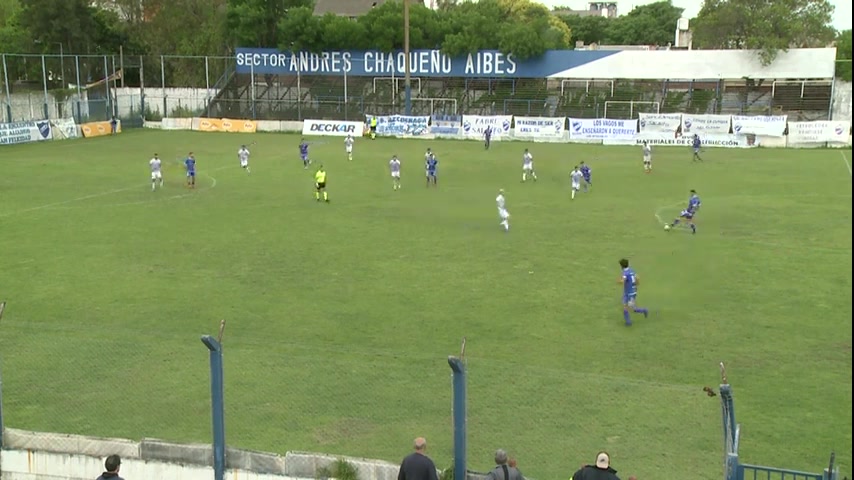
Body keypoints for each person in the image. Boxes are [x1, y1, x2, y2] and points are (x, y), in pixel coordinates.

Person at [618, 258, 648, 327]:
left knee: (632, 309)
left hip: (630, 294)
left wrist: (619, 281)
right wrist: (636, 284)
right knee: (625, 307)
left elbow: (623, 280)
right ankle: (628, 322)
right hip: (629, 292)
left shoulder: (625, 273)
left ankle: (644, 310)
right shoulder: (632, 270)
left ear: (621, 266)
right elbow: (637, 277)